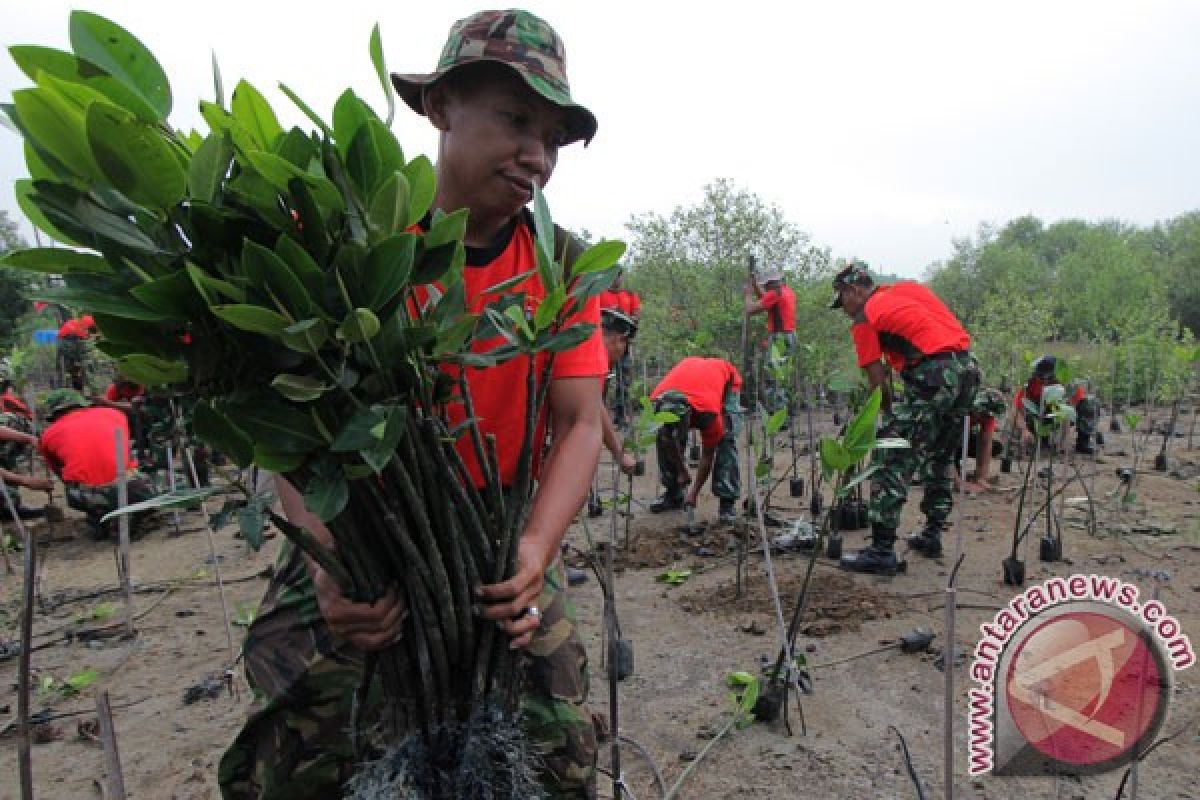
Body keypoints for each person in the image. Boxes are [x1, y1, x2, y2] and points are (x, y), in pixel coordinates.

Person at [219, 10, 605, 799]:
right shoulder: (350, 236)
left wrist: (535, 550)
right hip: (358, 521)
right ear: (440, 108)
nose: (537, 153)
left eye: (555, 138)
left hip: (496, 535)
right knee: (298, 750)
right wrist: (330, 559)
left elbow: (580, 423)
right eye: (517, 120)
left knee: (558, 745)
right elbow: (291, 419)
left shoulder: (560, 263)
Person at [829, 262, 979, 573]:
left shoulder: (864, 317)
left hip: (933, 372)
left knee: (891, 453)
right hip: (967, 370)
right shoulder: (909, 289)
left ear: (855, 290)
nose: (843, 308)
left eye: (841, 299)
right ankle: (932, 534)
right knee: (940, 455)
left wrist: (886, 417)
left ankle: (881, 550)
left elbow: (877, 379)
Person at [37, 389, 154, 539]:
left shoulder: (48, 434)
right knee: (153, 480)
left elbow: (61, 474)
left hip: (89, 496)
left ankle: (100, 515)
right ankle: (130, 514)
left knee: (77, 488)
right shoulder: (115, 414)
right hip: (133, 488)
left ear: (55, 413)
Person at [647, 356, 742, 524]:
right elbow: (667, 438)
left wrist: (694, 492)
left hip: (725, 382)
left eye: (679, 422)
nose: (675, 427)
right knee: (662, 439)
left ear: (689, 413)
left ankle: (727, 503)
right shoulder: (657, 401)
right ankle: (673, 493)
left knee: (726, 438)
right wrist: (682, 471)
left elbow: (707, 455)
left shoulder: (708, 412)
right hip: (691, 373)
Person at [1015, 355, 1098, 455]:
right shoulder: (1030, 384)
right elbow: (1017, 410)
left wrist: (1063, 440)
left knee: (1089, 403)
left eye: (1049, 378)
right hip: (1037, 415)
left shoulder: (1069, 384)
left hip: (1059, 412)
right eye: (1041, 377)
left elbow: (1068, 410)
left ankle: (1083, 442)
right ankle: (1041, 439)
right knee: (1032, 413)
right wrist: (1024, 430)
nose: (1045, 381)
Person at [745, 267, 797, 415]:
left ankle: (779, 417)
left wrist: (748, 294)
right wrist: (755, 285)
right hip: (790, 336)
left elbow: (750, 310)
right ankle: (787, 414)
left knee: (773, 378)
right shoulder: (787, 291)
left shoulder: (775, 294)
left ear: (771, 284)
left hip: (779, 338)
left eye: (766, 285)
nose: (765, 287)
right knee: (784, 376)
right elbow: (766, 299)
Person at [960, 387, 1007, 493]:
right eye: (984, 415)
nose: (986, 418)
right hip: (938, 440)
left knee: (996, 446)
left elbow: (986, 443)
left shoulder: (988, 417)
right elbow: (943, 447)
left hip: (962, 437)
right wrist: (958, 482)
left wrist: (981, 477)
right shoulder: (961, 409)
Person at [56, 314, 95, 391]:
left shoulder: (79, 322)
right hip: (67, 342)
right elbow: (84, 337)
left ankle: (79, 387)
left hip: (65, 342)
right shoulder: (81, 325)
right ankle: (79, 388)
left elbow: (85, 337)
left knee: (75, 369)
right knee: (77, 367)